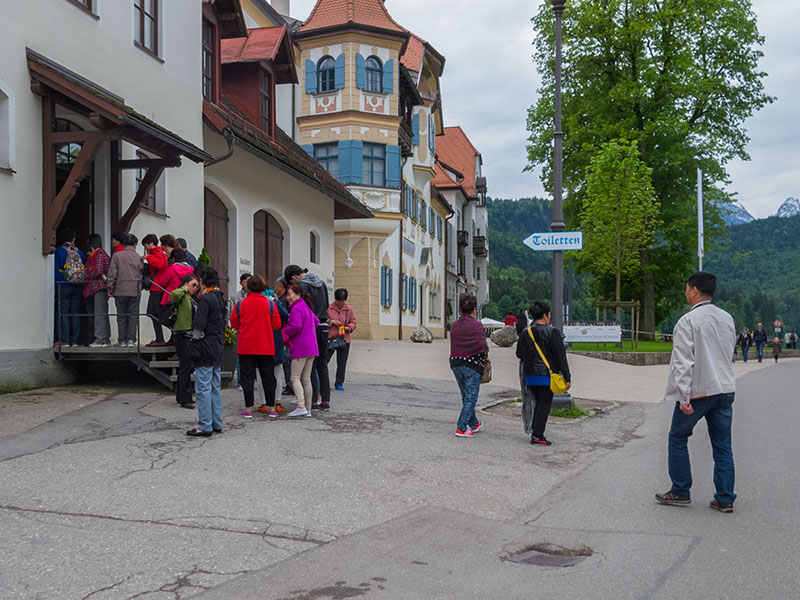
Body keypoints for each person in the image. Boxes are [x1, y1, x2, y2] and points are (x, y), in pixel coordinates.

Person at [656, 271, 737, 513]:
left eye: (686, 288)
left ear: (694, 290)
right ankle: (724, 497)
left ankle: (680, 490)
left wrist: (683, 396)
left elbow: (682, 362)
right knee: (722, 445)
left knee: (678, 437)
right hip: (724, 388)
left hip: (699, 390)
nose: (685, 293)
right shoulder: (727, 319)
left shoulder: (687, 321)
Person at [516, 300, 572, 445]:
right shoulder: (552, 332)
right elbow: (561, 356)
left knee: (536, 402)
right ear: (546, 315)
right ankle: (538, 435)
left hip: (529, 375)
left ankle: (534, 431)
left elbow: (519, 353)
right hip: (546, 375)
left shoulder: (525, 332)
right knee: (544, 404)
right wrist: (567, 377)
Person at [229, 275, 282, 419]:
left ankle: (248, 409)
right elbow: (277, 325)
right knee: (268, 377)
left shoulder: (240, 305)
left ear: (248, 287)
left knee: (247, 378)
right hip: (266, 346)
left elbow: (234, 324)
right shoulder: (270, 305)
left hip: (246, 346)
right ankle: (271, 408)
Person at [284, 265, 331, 410]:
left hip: (311, 327)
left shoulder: (303, 287)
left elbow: (303, 309)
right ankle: (325, 399)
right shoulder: (321, 282)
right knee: (322, 364)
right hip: (324, 326)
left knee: (309, 367)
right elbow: (327, 305)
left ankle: (312, 400)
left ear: (294, 278)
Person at [187, 268, 226, 437]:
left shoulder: (205, 299)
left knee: (203, 387)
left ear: (202, 281)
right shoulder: (219, 297)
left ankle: (204, 425)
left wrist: (193, 340)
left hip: (205, 346)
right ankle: (217, 422)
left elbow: (199, 324)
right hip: (217, 345)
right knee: (215, 386)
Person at [449, 293, 489, 438]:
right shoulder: (477, 325)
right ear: (474, 309)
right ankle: (461, 426)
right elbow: (482, 347)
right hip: (471, 364)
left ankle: (474, 423)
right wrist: (484, 359)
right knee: (471, 397)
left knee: (466, 395)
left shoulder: (454, 325)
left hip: (455, 363)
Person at [282, 283, 320, 418]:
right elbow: (315, 322)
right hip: (312, 348)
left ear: (297, 295)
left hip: (301, 348)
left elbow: (296, 326)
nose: (287, 297)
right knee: (306, 379)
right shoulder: (307, 308)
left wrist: (285, 331)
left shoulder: (296, 309)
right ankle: (308, 408)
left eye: (289, 294)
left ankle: (301, 406)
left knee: (294, 377)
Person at [170, 274, 201, 408]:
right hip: (182, 334)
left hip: (189, 335)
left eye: (197, 286)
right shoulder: (182, 294)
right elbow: (174, 295)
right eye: (193, 285)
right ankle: (185, 398)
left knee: (186, 366)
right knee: (185, 366)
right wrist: (185, 288)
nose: (195, 288)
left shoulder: (191, 298)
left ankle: (182, 396)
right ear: (186, 283)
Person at [108, 234, 143, 347]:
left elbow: (112, 274)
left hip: (120, 290)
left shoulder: (117, 256)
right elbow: (142, 273)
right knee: (133, 316)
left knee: (121, 316)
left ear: (123, 244)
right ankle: (131, 340)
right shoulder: (139, 257)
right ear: (135, 244)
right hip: (135, 290)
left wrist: (110, 288)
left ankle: (122, 340)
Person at [54, 229, 85, 347]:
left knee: (63, 312)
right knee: (75, 313)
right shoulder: (80, 253)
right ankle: (75, 340)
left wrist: (59, 283)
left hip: (64, 285)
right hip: (77, 285)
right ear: (73, 239)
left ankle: (64, 340)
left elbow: (56, 270)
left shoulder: (59, 251)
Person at [83, 233, 111, 347]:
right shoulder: (103, 254)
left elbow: (98, 271)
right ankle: (106, 339)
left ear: (92, 248)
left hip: (99, 287)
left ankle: (100, 340)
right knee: (103, 313)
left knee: (99, 314)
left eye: (89, 253)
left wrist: (87, 274)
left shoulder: (99, 254)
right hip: (101, 286)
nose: (90, 256)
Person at [142, 234, 169, 346]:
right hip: (155, 287)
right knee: (153, 313)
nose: (146, 249)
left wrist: (147, 258)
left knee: (154, 313)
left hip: (157, 288)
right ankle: (159, 338)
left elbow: (160, 264)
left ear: (151, 243)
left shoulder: (158, 253)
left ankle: (160, 339)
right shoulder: (158, 253)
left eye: (146, 245)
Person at [327, 288, 356, 391]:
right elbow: (323, 320)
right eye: (338, 300)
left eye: (342, 301)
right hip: (331, 338)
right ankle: (323, 381)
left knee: (342, 362)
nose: (340, 303)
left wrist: (349, 328)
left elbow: (353, 322)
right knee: (325, 360)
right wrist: (332, 322)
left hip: (344, 339)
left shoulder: (349, 309)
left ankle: (339, 382)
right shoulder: (329, 308)